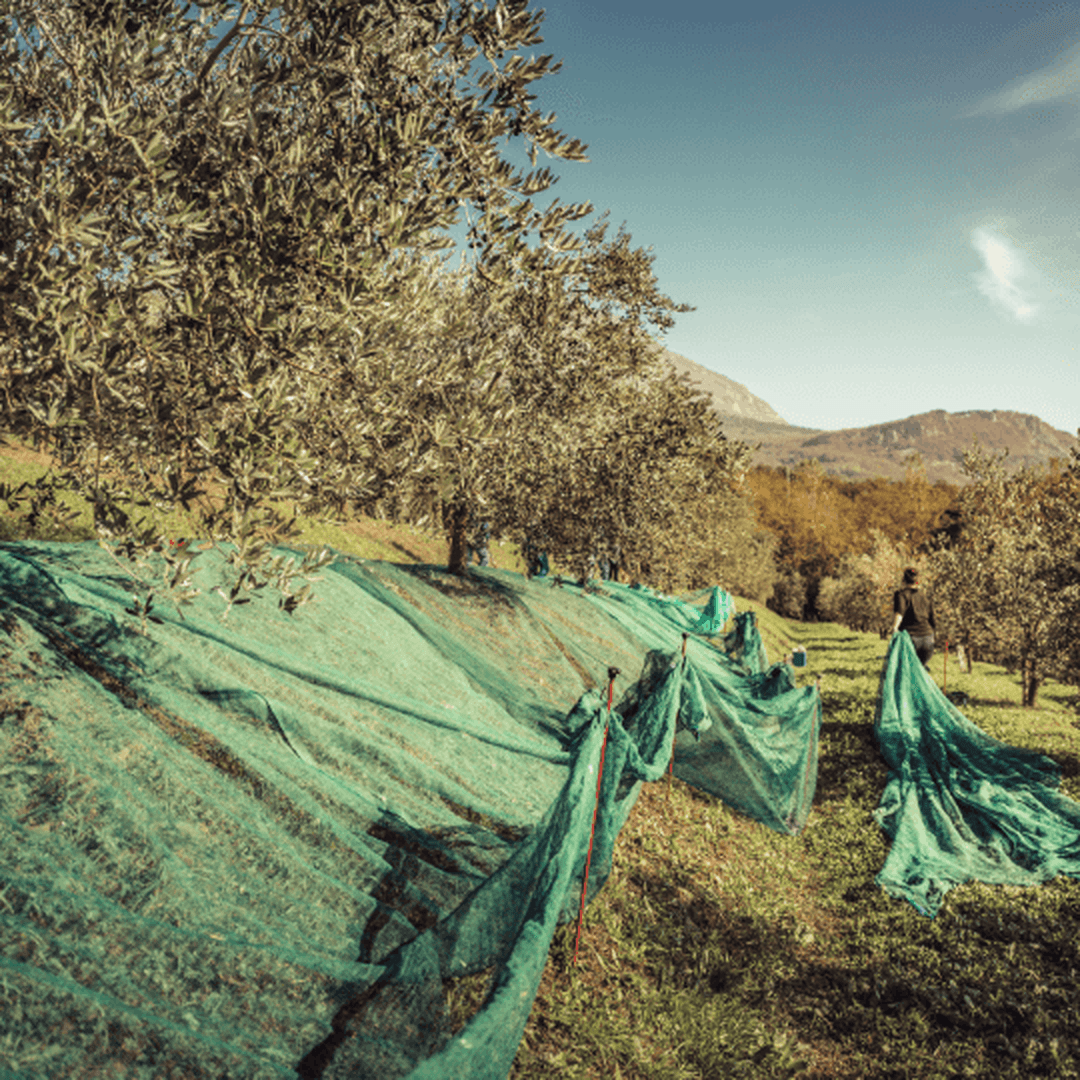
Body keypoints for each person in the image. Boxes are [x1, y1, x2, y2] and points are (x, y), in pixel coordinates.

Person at [890, 567, 936, 668]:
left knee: (908, 670)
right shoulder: (925, 596)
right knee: (920, 669)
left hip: (911, 639)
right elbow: (932, 618)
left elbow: (900, 613)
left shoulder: (901, 595)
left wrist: (894, 629)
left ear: (903, 580)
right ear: (917, 581)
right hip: (928, 639)